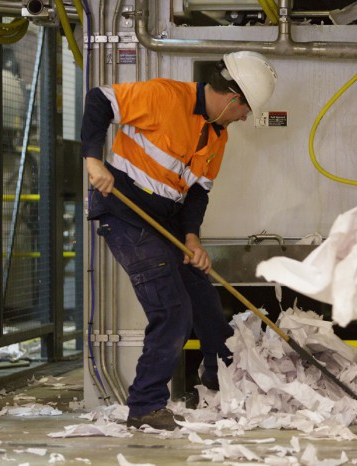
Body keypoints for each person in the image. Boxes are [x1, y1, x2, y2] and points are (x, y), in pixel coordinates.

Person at [81, 51, 278, 430]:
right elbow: (99, 100)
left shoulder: (217, 135)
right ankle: (145, 406)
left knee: (205, 302)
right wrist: (93, 160)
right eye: (245, 110)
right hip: (126, 212)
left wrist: (191, 238)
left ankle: (220, 384)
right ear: (233, 98)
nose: (244, 118)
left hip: (168, 220)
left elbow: (198, 194)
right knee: (172, 311)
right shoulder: (165, 96)